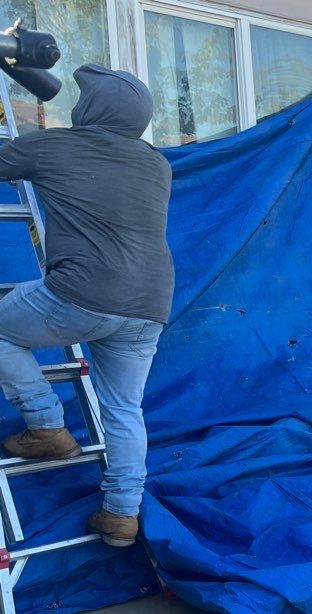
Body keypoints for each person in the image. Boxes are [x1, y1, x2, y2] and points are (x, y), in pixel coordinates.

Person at [0, 65, 173, 548]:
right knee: (123, 409)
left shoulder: (53, 146)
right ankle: (121, 515)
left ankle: (46, 425)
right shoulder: (156, 163)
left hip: (84, 292)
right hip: (150, 303)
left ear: (90, 108)